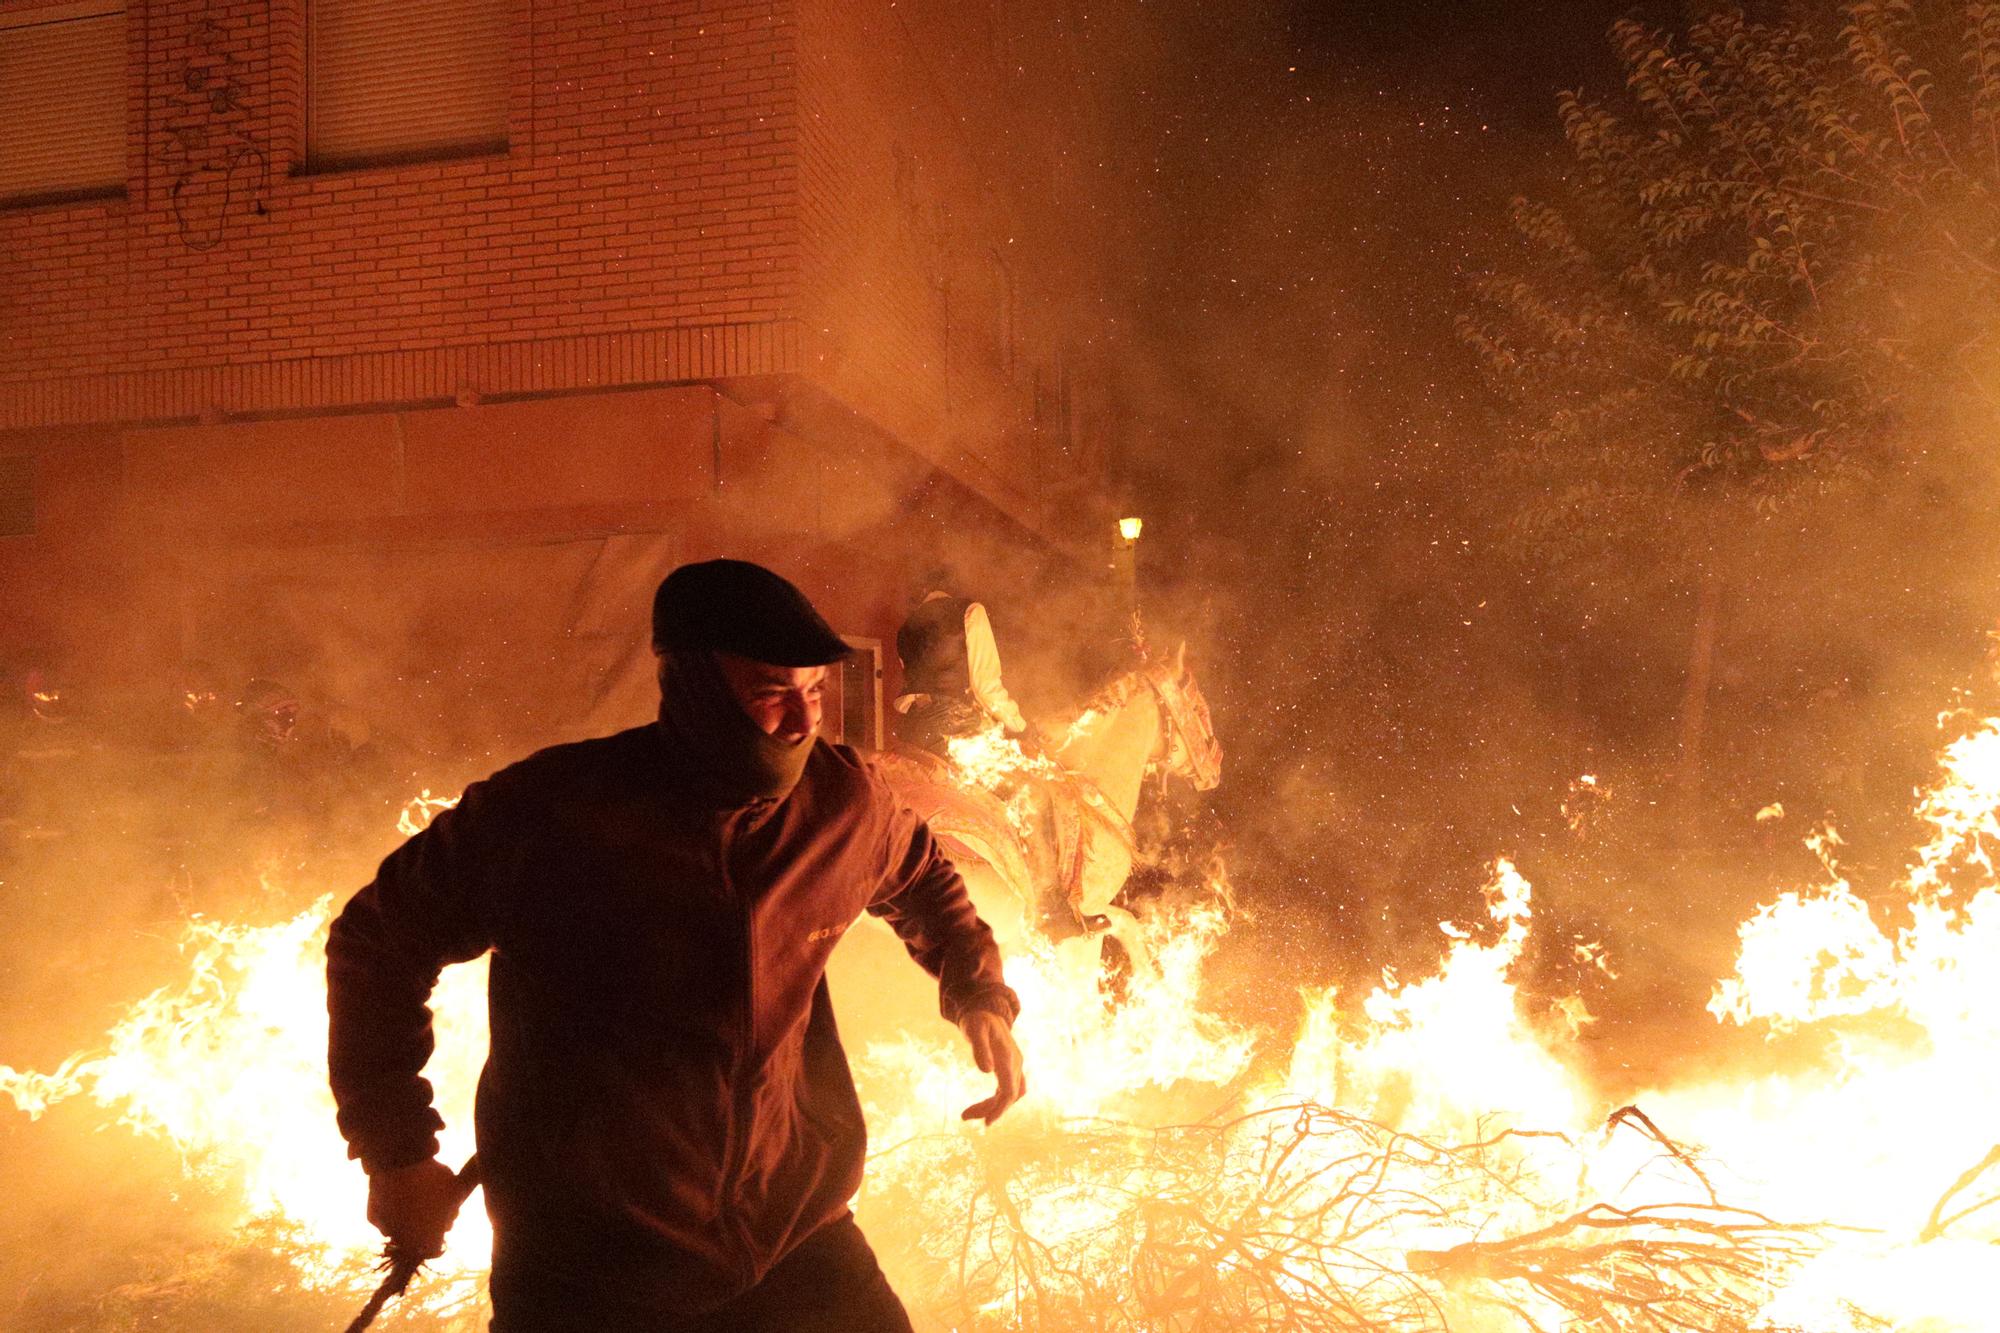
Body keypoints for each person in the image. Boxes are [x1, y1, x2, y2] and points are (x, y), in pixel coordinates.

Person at [326, 558, 1025, 1332]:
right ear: (694, 686)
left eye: (815, 693)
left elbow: (923, 877)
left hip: (789, 1232)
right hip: (586, 1270)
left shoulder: (840, 804)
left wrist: (977, 992)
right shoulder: (550, 816)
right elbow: (378, 941)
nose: (801, 723)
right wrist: (396, 1150)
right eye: (770, 693)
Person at [892, 582, 1029, 758]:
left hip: (912, 725)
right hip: (953, 723)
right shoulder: (969, 611)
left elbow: (912, 686)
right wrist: (1018, 725)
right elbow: (985, 686)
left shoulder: (905, 631)